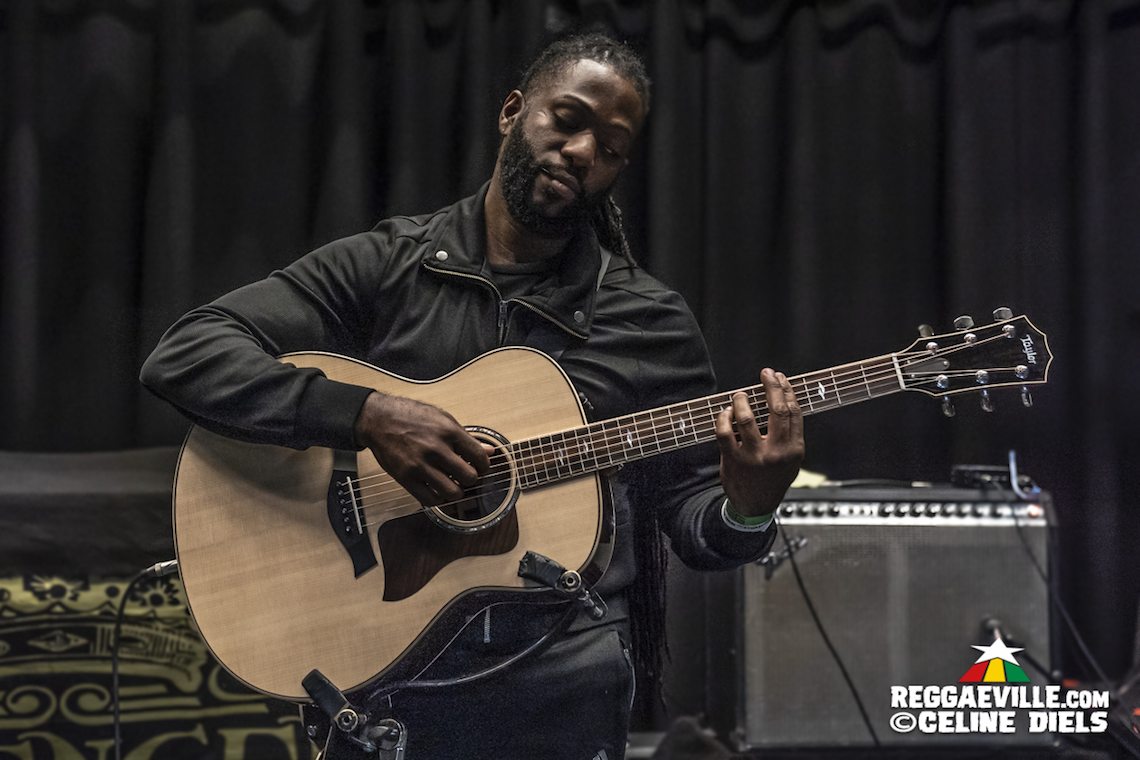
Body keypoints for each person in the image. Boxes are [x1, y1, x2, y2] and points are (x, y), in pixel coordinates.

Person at [141, 33, 804, 759]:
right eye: (568, 120)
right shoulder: (391, 264)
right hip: (391, 678)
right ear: (513, 112)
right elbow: (188, 353)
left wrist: (750, 505)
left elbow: (694, 522)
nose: (583, 152)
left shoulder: (649, 322)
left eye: (611, 148)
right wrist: (363, 415)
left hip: (562, 685)